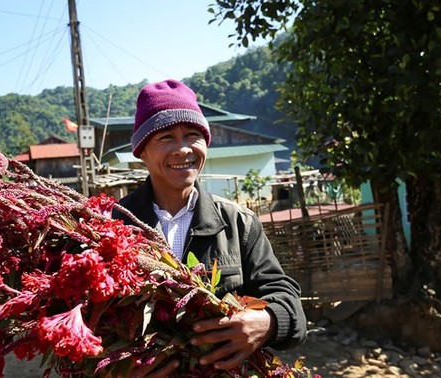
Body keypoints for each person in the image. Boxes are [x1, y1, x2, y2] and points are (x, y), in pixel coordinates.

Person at [112, 79, 307, 376]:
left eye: (193, 135)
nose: (183, 149)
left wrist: (268, 323)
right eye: (166, 138)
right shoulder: (111, 226)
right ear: (141, 151)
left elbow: (287, 300)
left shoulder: (238, 223)